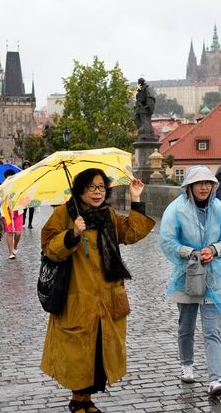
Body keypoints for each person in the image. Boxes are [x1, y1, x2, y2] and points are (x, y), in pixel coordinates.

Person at [41, 169, 154, 413]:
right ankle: (76, 399)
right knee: (79, 352)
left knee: (99, 351)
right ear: (80, 189)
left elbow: (130, 234)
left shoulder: (108, 215)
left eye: (101, 187)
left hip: (106, 295)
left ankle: (87, 399)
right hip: (78, 294)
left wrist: (135, 199)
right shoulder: (64, 213)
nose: (97, 192)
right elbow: (50, 248)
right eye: (92, 187)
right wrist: (72, 233)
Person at [159, 165, 221, 397]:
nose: (204, 187)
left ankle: (215, 379)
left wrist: (214, 250)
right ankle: (187, 364)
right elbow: (167, 241)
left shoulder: (219, 209)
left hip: (214, 275)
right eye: (199, 183)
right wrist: (189, 252)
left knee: (212, 330)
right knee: (186, 326)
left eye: (208, 183)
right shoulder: (176, 209)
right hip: (187, 274)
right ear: (190, 187)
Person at [1, 169, 24, 259]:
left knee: (18, 233)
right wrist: (5, 196)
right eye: (8, 178)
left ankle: (15, 246)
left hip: (18, 211)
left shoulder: (18, 187)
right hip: (6, 212)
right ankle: (10, 252)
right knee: (9, 232)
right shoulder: (2, 187)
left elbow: (24, 198)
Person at [21, 160, 35, 229]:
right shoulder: (21, 174)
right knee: (24, 209)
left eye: (28, 165)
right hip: (24, 194)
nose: (26, 167)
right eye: (25, 166)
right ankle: (23, 221)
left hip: (31, 193)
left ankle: (30, 223)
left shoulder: (32, 173)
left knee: (31, 209)